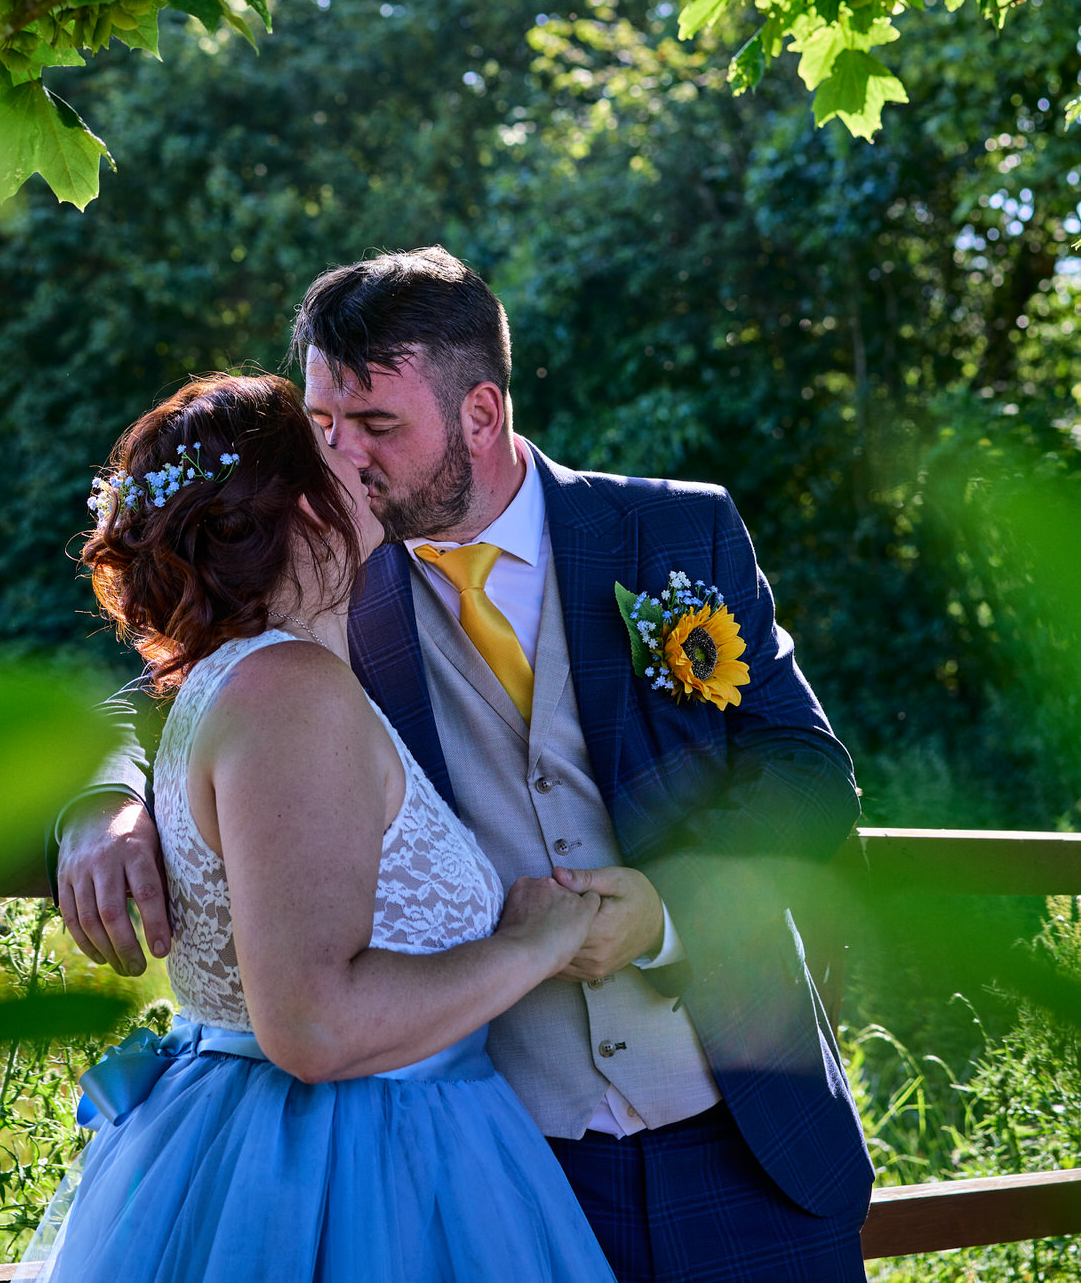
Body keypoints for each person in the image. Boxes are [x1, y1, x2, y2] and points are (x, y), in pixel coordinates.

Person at [57, 249, 874, 1283]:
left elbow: (805, 772)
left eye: (377, 425)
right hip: (515, 1166)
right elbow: (175, 681)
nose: (343, 457)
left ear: (479, 413)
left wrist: (665, 908)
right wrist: (105, 799)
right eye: (322, 423)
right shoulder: (327, 568)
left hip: (746, 1132)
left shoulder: (672, 529)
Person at [37, 367, 618, 1283]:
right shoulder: (290, 693)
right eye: (329, 440)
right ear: (305, 510)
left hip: (297, 1143)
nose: (358, 448)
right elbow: (312, 1024)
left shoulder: (248, 676)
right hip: (351, 1172)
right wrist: (535, 945)